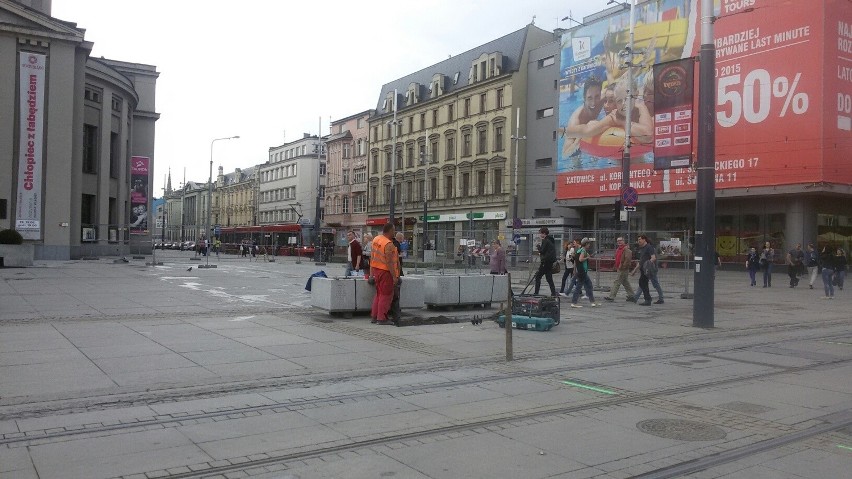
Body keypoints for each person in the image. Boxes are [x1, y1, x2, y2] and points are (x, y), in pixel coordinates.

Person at [369, 224, 400, 325]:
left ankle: (374, 316)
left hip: (376, 270)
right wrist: (394, 276)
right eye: (394, 230)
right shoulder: (388, 244)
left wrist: (371, 274)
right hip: (386, 272)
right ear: (390, 231)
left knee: (379, 294)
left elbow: (372, 257)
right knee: (386, 295)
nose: (394, 232)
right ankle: (382, 318)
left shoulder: (376, 239)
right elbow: (389, 262)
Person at [604, 236, 636, 302]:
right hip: (620, 268)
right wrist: (615, 266)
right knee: (625, 282)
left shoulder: (627, 250)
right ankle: (632, 296)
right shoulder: (618, 249)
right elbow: (617, 259)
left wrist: (623, 267)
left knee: (617, 282)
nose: (619, 242)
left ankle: (611, 297)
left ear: (623, 241)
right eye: (618, 241)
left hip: (623, 269)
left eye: (620, 240)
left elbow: (627, 260)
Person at [570, 238, 597, 307]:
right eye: (588, 244)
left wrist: (574, 270)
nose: (589, 245)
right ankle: (574, 302)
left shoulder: (579, 250)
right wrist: (587, 258)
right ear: (586, 244)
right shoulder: (583, 251)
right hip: (582, 271)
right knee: (580, 287)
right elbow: (580, 259)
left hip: (581, 271)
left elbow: (576, 261)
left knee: (588, 285)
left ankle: (592, 301)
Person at [631, 234, 657, 306]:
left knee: (643, 283)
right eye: (638, 239)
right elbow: (641, 261)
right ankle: (648, 299)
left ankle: (648, 299)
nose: (638, 241)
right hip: (643, 269)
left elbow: (653, 257)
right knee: (642, 283)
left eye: (639, 239)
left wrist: (648, 264)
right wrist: (634, 270)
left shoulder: (649, 247)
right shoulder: (642, 248)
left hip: (647, 269)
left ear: (644, 239)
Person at [533, 227, 557, 296]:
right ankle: (553, 293)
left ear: (544, 233)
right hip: (550, 262)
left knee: (538, 277)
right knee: (549, 278)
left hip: (545, 262)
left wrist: (538, 246)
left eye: (540, 233)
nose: (540, 235)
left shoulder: (545, 240)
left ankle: (536, 293)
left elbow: (542, 250)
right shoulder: (551, 240)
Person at [389, 232, 407, 322]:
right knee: (396, 293)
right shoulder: (396, 244)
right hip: (395, 272)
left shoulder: (391, 243)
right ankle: (396, 313)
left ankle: (394, 312)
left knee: (395, 293)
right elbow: (395, 259)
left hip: (394, 271)